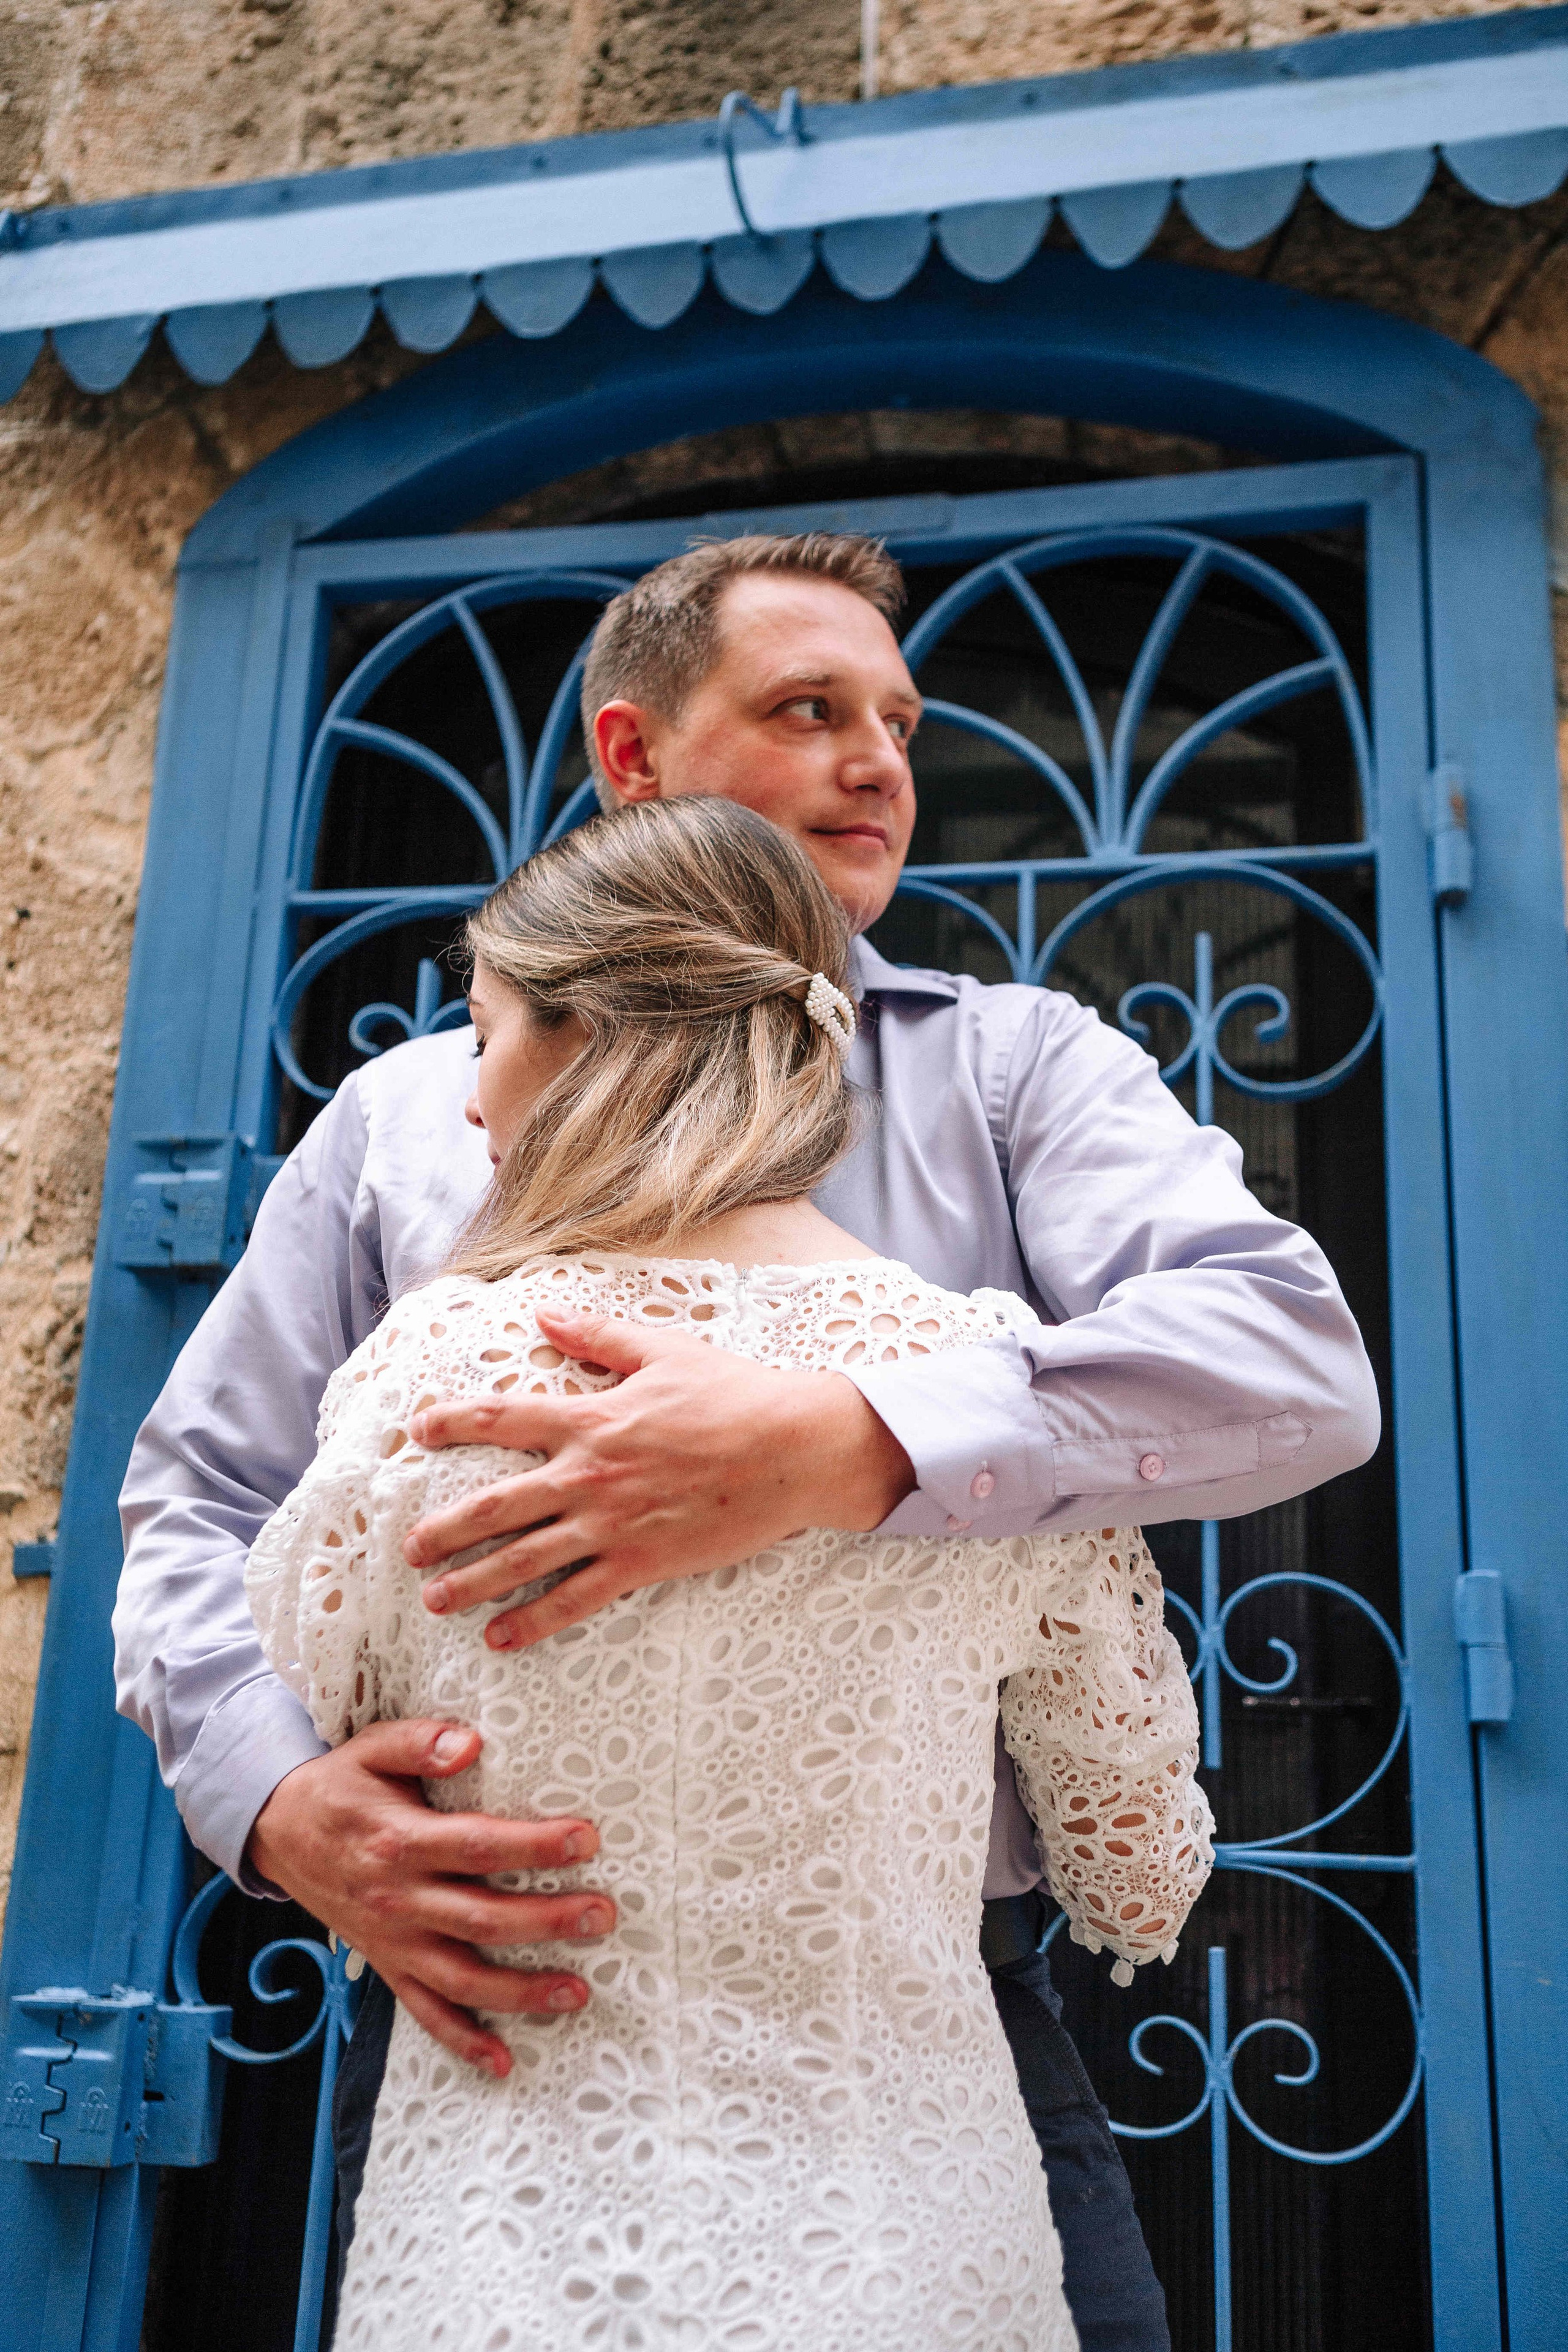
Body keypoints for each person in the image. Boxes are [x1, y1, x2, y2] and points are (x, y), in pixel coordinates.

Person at [115, 531, 1380, 2352]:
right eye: (811, 710)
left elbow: (1295, 1361)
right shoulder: (407, 1120)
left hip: (944, 2029)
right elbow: (203, 1494)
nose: (882, 762)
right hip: (497, 2036)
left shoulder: (1019, 1070)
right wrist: (273, 1795)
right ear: (631, 759)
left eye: (901, 719)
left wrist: (858, 1435)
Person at [244, 793, 1215, 2351]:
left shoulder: (428, 1362)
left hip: (505, 2233)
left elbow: (319, 1713)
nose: (470, 1102)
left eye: (484, 1032)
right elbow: (1135, 1867)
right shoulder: (983, 1386)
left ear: (585, 1036)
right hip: (910, 2231)